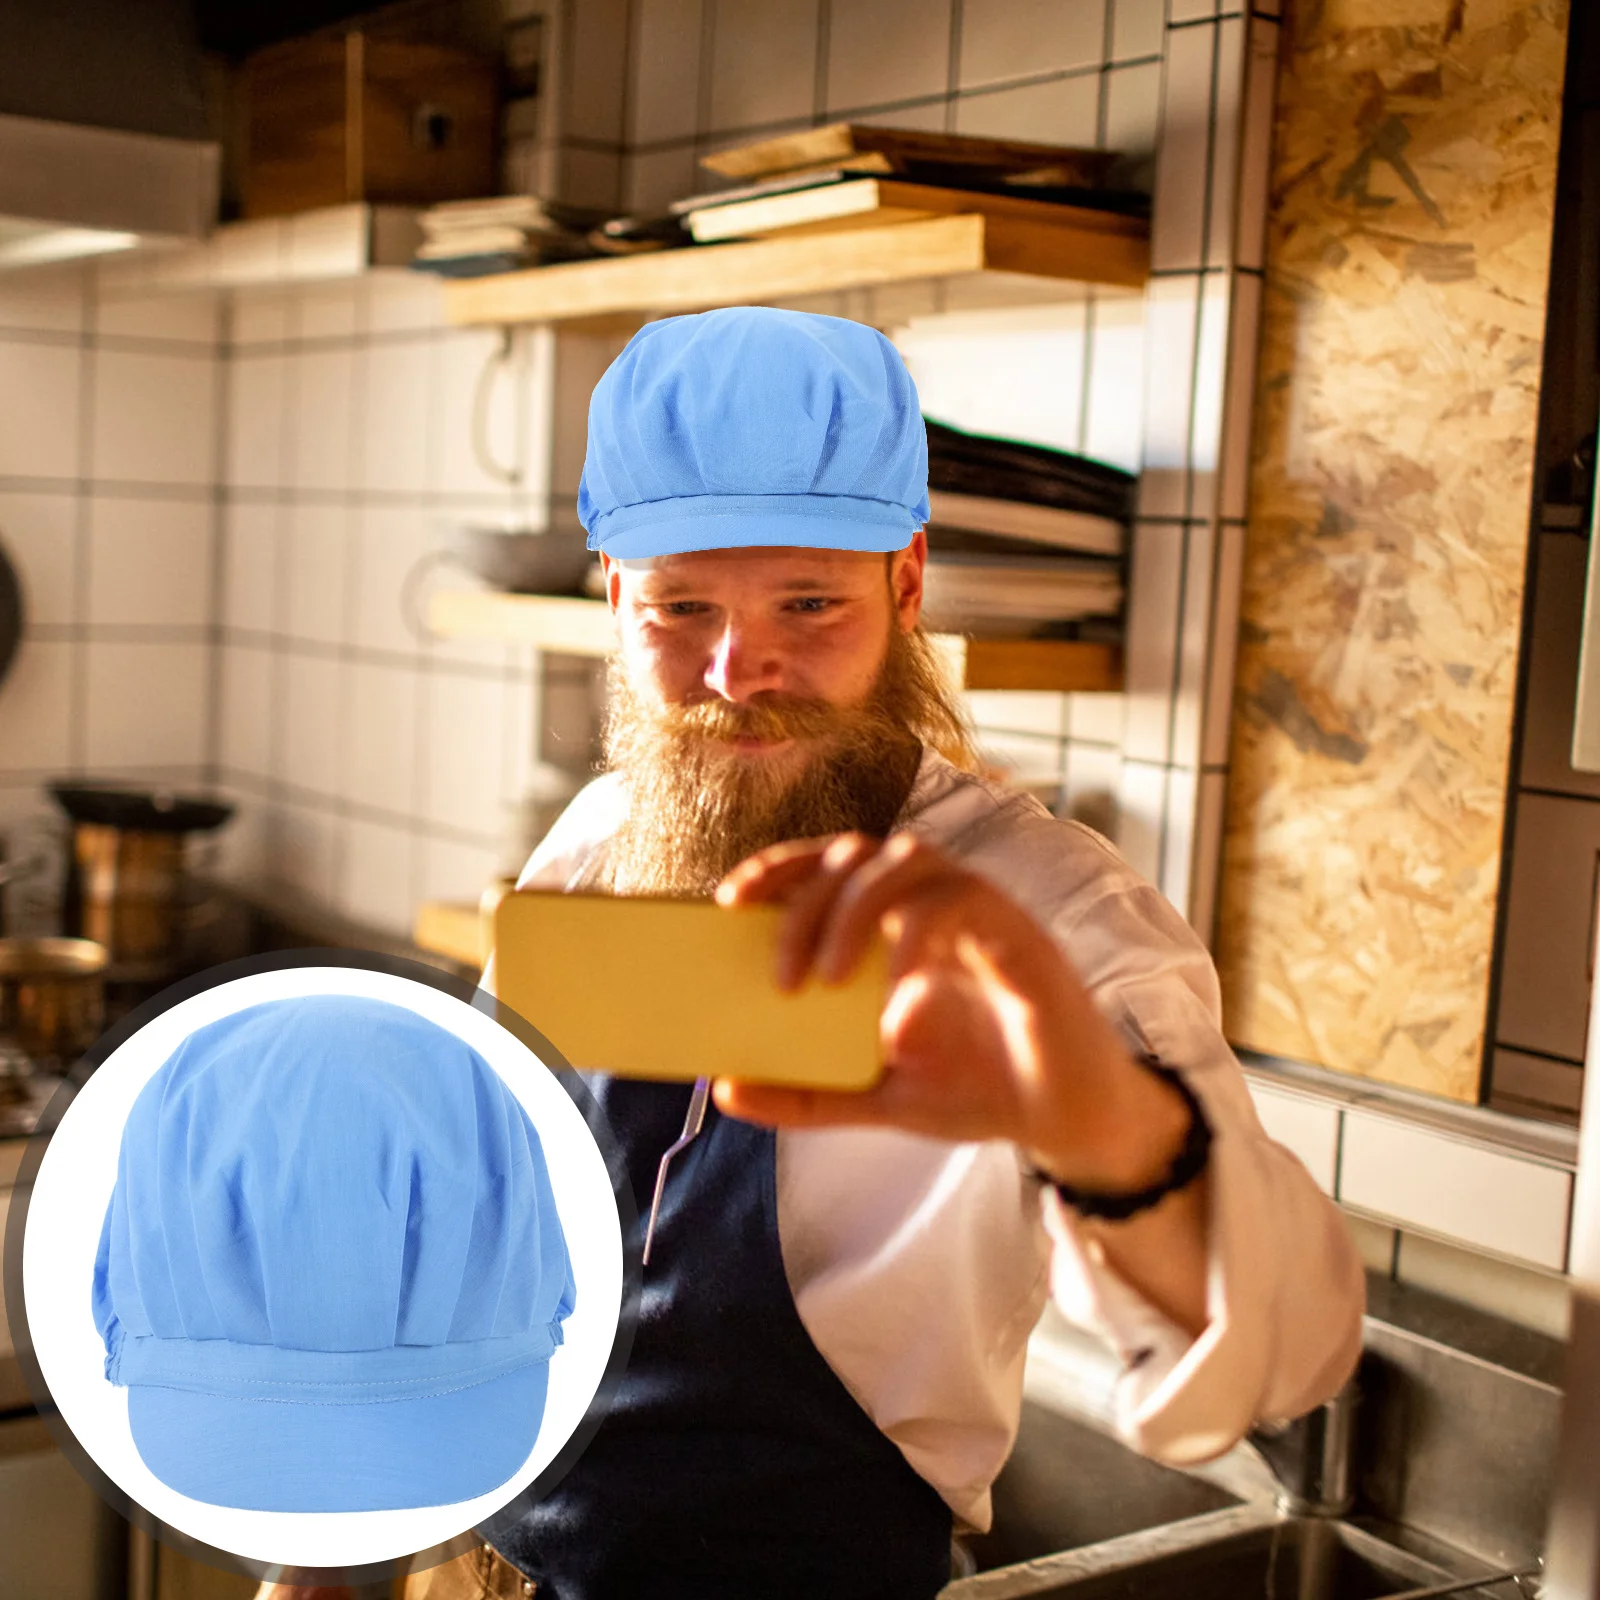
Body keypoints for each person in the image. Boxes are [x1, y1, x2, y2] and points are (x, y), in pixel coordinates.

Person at [262, 307, 1363, 1600]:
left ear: (904, 585)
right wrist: (324, 1543)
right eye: (682, 607)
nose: (742, 669)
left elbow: (1294, 1344)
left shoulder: (1050, 914)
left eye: (807, 601)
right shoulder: (597, 840)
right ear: (614, 599)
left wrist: (1098, 1115)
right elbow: (466, 1227)